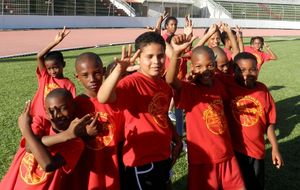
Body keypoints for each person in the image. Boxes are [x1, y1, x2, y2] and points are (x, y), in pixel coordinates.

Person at [97, 31, 182, 189]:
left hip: (163, 155)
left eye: (160, 56)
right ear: (139, 58)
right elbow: (103, 97)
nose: (156, 61)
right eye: (149, 57)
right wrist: (118, 70)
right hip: (142, 162)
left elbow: (161, 115)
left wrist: (176, 138)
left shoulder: (163, 85)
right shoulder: (132, 83)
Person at [166, 34, 245, 190]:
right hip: (202, 159)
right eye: (199, 66)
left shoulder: (219, 83)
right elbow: (170, 80)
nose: (205, 70)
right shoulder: (189, 89)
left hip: (226, 153)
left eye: (210, 65)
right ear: (192, 67)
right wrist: (176, 54)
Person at [0, 88, 92, 190]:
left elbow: (48, 164)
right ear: (46, 113)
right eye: (52, 111)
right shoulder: (40, 122)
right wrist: (67, 135)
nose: (58, 114)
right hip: (12, 185)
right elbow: (29, 146)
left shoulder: (76, 143)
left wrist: (25, 129)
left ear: (73, 107)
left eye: (63, 108)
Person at [224, 52, 284, 190]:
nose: (247, 74)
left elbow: (269, 122)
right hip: (234, 151)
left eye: (252, 69)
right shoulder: (226, 84)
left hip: (257, 151)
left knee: (255, 185)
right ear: (234, 70)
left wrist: (275, 148)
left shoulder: (262, 90)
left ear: (257, 69)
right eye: (242, 70)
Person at [68, 52, 124, 190]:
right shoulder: (76, 105)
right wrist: (85, 135)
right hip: (90, 169)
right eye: (85, 75)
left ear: (104, 71)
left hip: (116, 164)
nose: (92, 79)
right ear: (77, 77)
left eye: (97, 73)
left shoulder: (116, 99)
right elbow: (69, 140)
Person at [30, 27, 76, 119]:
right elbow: (39, 56)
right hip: (38, 117)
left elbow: (71, 105)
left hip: (55, 119)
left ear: (63, 64)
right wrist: (55, 42)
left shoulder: (69, 85)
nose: (52, 71)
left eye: (55, 67)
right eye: (49, 69)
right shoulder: (45, 77)